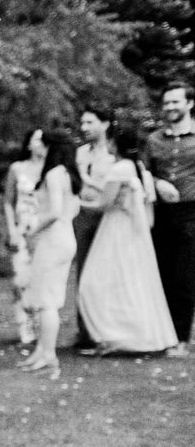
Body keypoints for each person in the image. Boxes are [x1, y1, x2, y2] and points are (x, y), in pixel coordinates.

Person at [78, 124, 178, 354]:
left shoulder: (120, 169)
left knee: (93, 284)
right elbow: (147, 207)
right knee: (131, 283)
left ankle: (114, 337)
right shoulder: (139, 168)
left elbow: (102, 204)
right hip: (135, 232)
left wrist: (75, 203)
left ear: (114, 143)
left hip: (116, 231)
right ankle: (129, 337)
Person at [19, 130, 82, 377]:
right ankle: (40, 352)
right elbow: (72, 208)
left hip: (54, 239)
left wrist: (33, 227)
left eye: (39, 142)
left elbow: (55, 211)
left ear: (49, 146)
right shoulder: (69, 173)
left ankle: (48, 355)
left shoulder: (55, 174)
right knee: (45, 297)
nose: (35, 146)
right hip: (64, 237)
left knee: (47, 302)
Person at [142, 81, 195, 357]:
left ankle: (181, 339)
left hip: (191, 211)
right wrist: (158, 182)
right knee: (161, 274)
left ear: (189, 103)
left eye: (175, 102)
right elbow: (143, 170)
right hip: (161, 213)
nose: (170, 107)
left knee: (184, 276)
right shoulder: (154, 140)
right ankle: (162, 335)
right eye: (166, 103)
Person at [73, 106, 116, 348]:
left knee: (105, 274)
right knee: (83, 272)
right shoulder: (80, 153)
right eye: (83, 123)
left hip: (107, 217)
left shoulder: (114, 154)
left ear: (106, 123)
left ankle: (105, 330)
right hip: (82, 215)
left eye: (90, 122)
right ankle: (85, 333)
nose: (84, 128)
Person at [3, 130, 45, 346]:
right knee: (21, 278)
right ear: (28, 143)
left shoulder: (52, 170)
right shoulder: (17, 168)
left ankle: (41, 325)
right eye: (36, 139)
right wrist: (11, 228)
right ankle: (24, 326)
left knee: (41, 277)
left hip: (44, 228)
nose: (40, 144)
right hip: (22, 227)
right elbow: (8, 201)